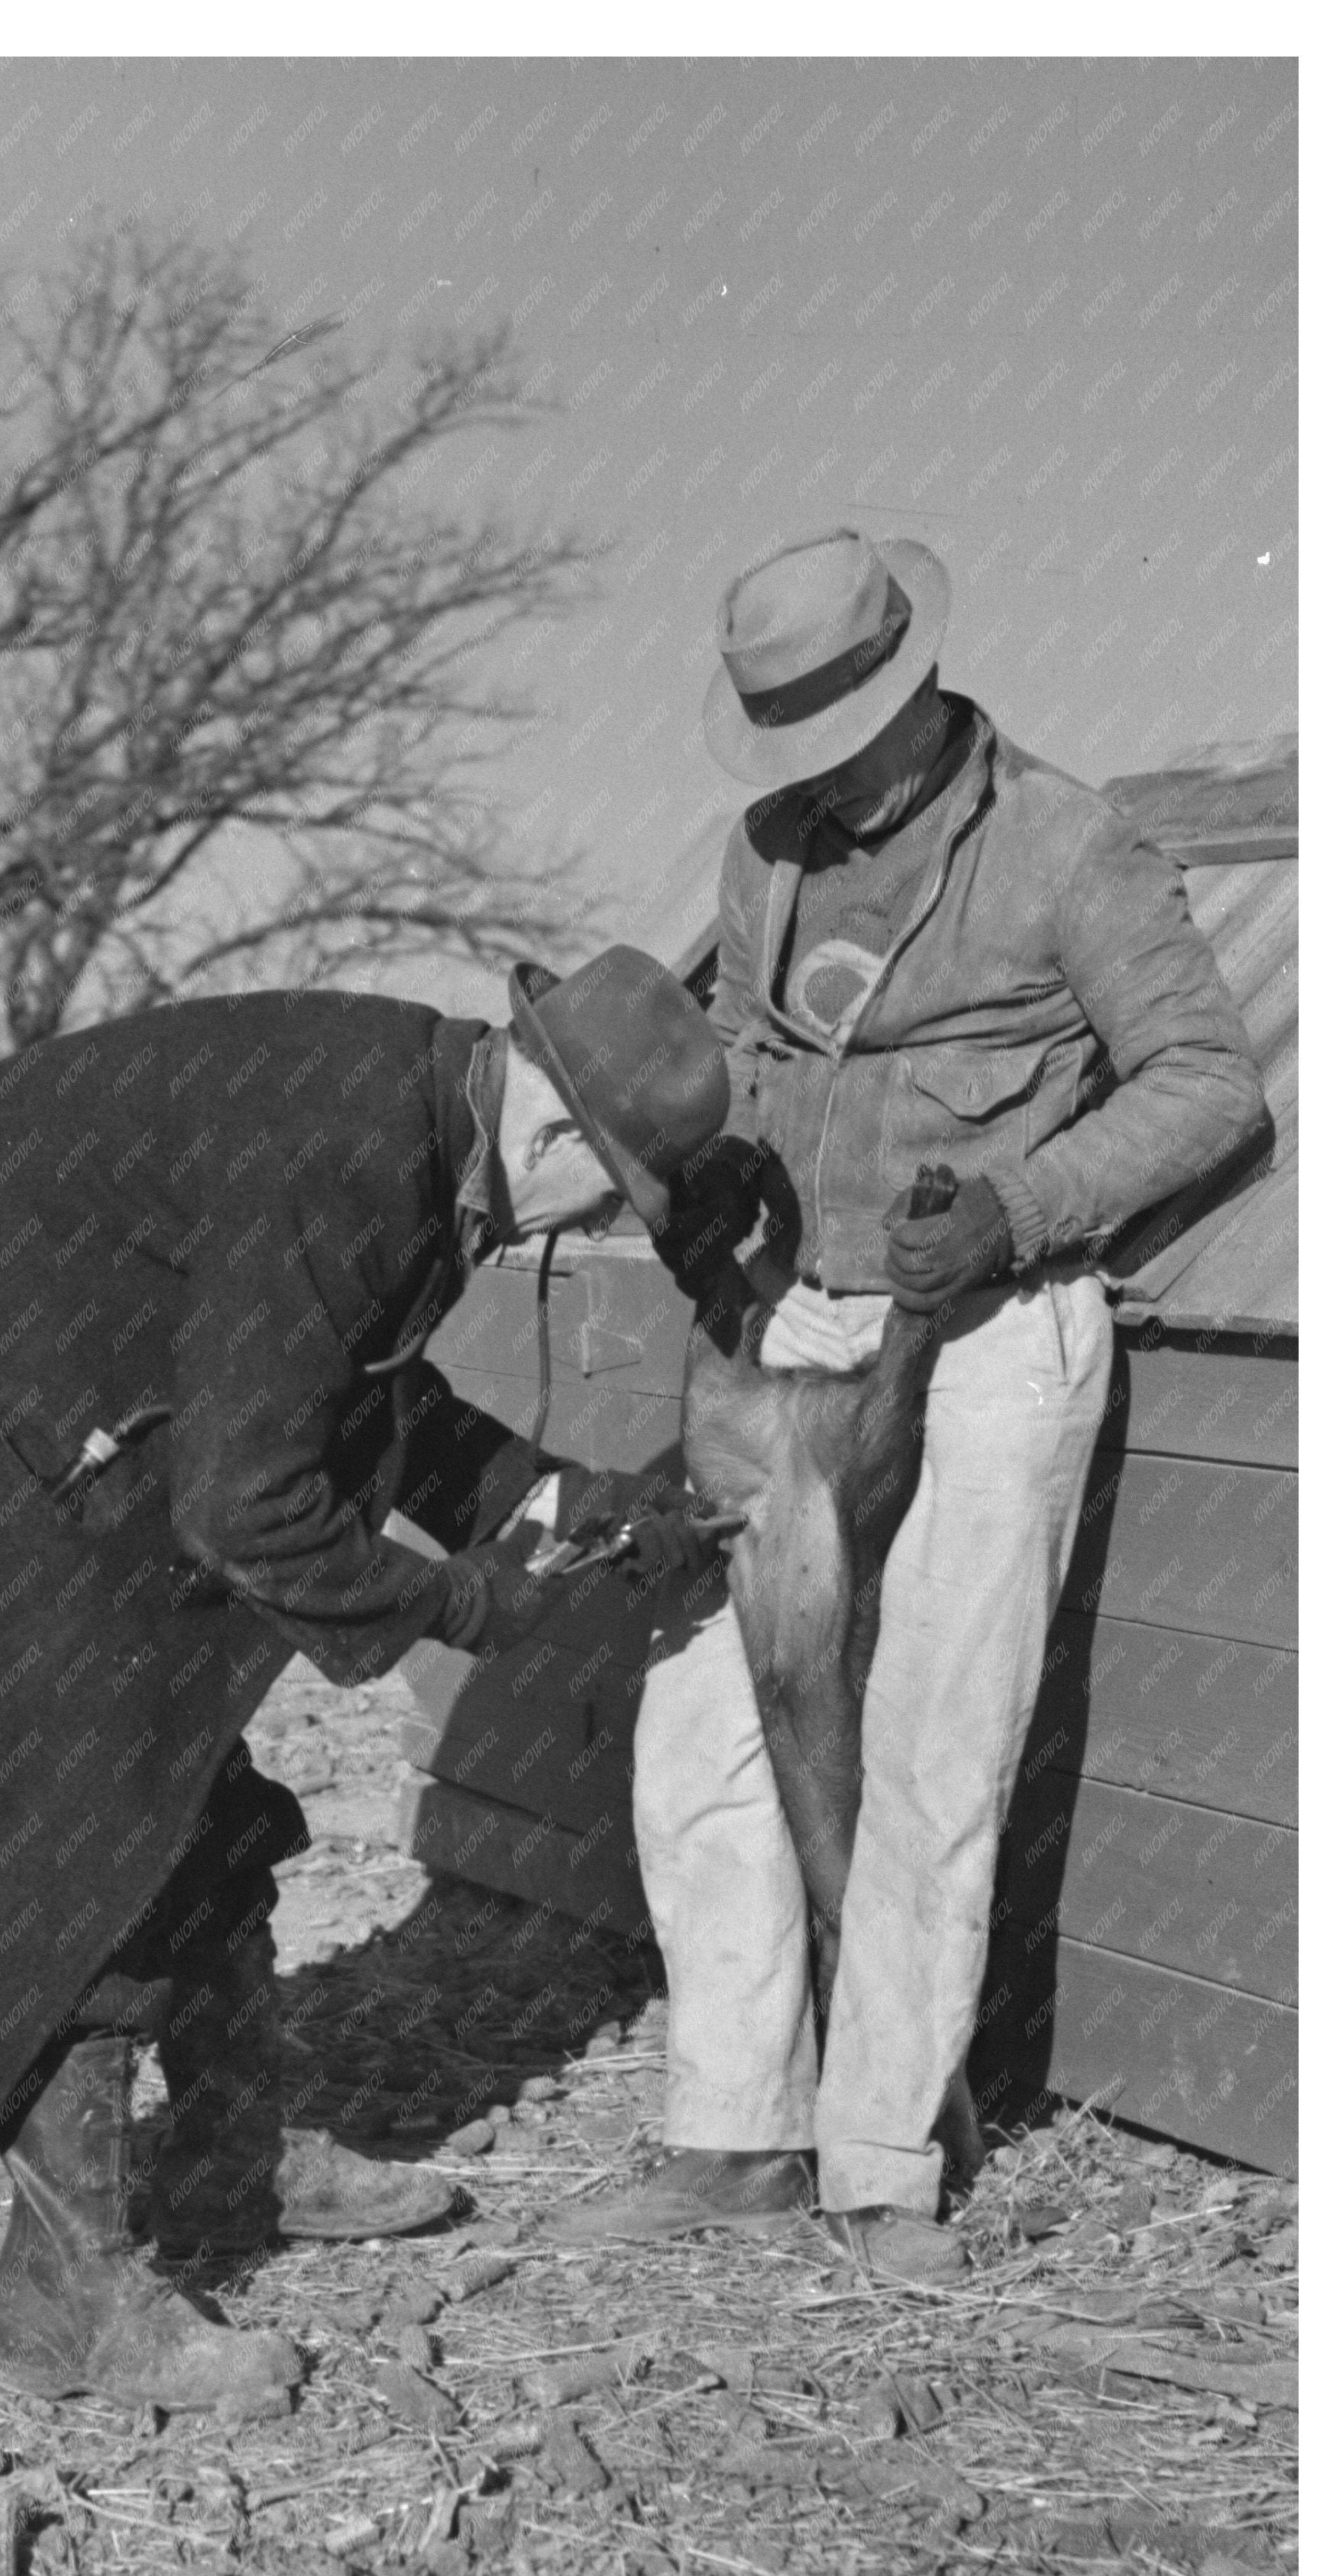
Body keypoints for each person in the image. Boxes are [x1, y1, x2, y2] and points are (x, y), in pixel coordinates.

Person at [0, 949, 739, 2410]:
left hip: (22, 1362)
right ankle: (64, 2309)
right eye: (612, 1197)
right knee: (76, 1826)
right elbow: (244, 1505)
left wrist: (553, 1499)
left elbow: (349, 1390)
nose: (589, 1224)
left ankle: (231, 2157)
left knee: (181, 1772)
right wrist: (470, 1601)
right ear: (564, 1135)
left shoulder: (415, 1122)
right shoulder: (355, 1151)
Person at [577, 527, 1269, 2287]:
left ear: (907, 695)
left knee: (937, 1739)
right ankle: (735, 2126)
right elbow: (733, 1050)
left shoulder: (1066, 844)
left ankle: (882, 2158)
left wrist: (1026, 1207)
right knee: (696, 1718)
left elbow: (1205, 1085)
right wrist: (697, 1193)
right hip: (791, 1316)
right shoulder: (760, 852)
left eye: (833, 727)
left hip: (994, 1326)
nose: (806, 770)